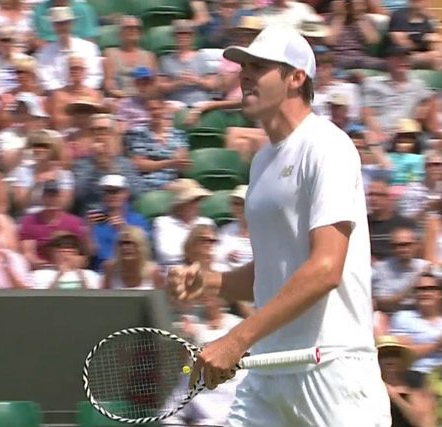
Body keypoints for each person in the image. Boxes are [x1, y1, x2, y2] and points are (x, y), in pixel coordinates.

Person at [167, 26, 390, 425]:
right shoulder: (262, 162)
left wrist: (236, 339)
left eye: (259, 66)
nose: (245, 74)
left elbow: (324, 270)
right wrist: (212, 282)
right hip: (269, 372)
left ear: (296, 77)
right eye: (243, 67)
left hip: (331, 368)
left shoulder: (328, 146)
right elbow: (275, 267)